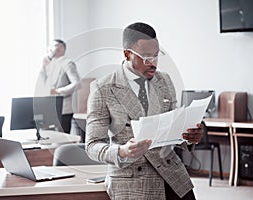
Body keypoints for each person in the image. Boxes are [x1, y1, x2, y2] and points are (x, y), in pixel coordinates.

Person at [85, 22, 203, 199]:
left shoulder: (164, 80)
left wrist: (188, 137)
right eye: (147, 57)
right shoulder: (103, 88)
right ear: (127, 54)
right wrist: (122, 151)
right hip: (131, 180)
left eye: (156, 56)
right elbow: (92, 145)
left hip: (172, 175)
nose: (153, 63)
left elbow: (173, 126)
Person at [37, 39, 80, 133]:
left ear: (61, 48)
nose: (51, 49)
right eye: (50, 47)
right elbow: (43, 83)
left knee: (62, 136)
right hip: (49, 106)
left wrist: (59, 91)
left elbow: (76, 83)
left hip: (64, 108)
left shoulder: (68, 63)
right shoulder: (50, 64)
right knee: (47, 136)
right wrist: (43, 67)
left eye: (54, 46)